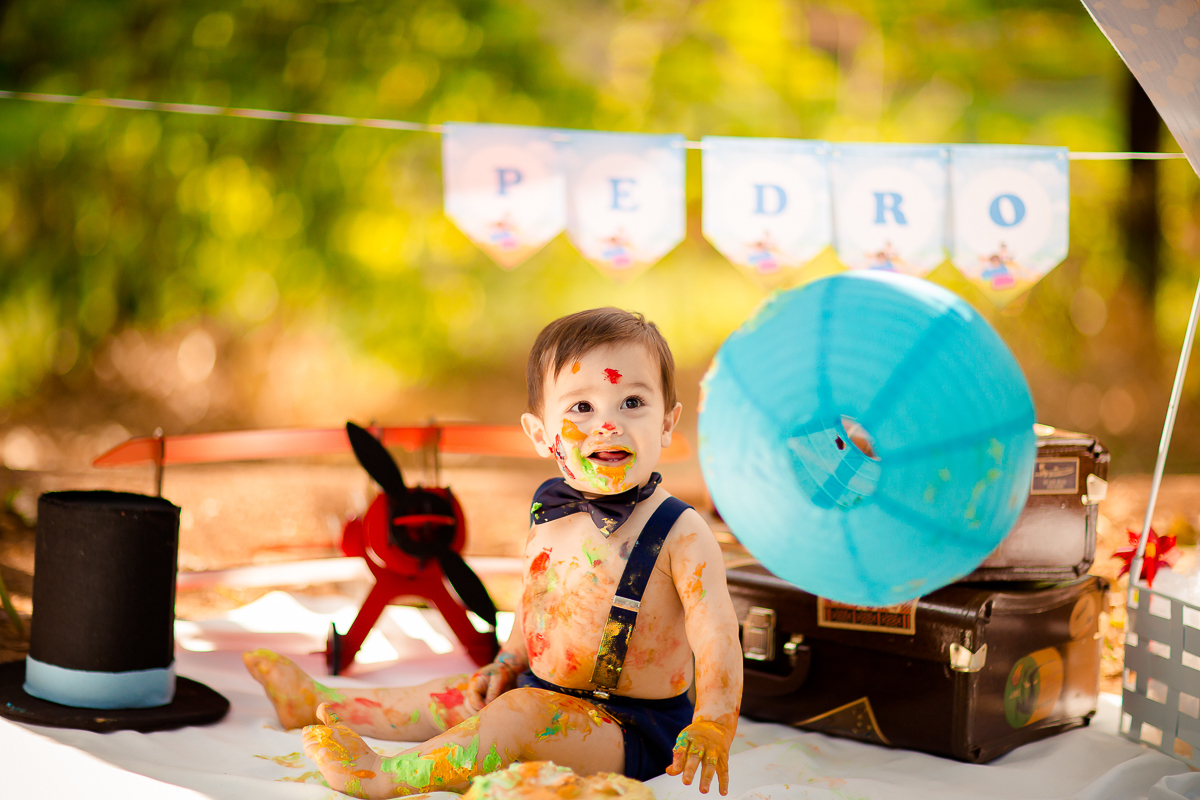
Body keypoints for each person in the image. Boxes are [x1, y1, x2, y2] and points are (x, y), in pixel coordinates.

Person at [244, 307, 743, 799]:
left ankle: (382, 775)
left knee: (518, 716)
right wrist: (505, 661)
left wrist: (714, 725)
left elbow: (717, 636)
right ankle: (321, 704)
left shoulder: (682, 531)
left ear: (667, 422)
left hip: (633, 730)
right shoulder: (550, 512)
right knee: (460, 696)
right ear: (540, 434)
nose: (607, 425)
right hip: (543, 690)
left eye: (632, 402)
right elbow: (536, 604)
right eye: (582, 408)